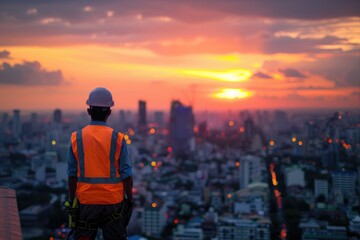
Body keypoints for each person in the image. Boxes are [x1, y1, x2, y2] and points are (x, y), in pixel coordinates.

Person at [67, 87, 133, 240]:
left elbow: (72, 176)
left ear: (89, 111)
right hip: (113, 204)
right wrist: (129, 201)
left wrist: (72, 203)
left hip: (86, 204)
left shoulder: (76, 138)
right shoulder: (118, 139)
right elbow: (127, 175)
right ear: (109, 112)